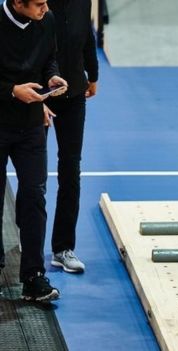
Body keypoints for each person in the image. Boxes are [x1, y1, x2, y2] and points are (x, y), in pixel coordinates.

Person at [0, 0, 68, 302]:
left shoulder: (47, 19)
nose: (45, 8)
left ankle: (33, 276)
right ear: (17, 2)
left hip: (31, 126)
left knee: (34, 196)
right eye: (38, 4)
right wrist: (12, 91)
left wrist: (52, 78)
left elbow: (49, 58)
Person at [45, 0, 98, 274]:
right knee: (33, 175)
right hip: (39, 94)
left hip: (74, 93)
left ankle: (63, 248)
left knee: (70, 169)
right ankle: (27, 241)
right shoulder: (37, 4)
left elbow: (87, 36)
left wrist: (93, 74)